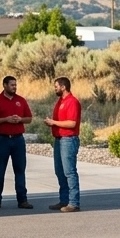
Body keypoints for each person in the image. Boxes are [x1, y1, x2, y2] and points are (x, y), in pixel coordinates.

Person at [0, 75, 32, 209]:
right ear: (4, 85)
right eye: (12, 85)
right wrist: (5, 119)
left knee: (20, 170)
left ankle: (23, 200)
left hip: (18, 140)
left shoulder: (21, 100)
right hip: (2, 139)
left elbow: (29, 118)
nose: (14, 87)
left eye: (15, 85)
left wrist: (20, 120)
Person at [44, 76, 82, 212]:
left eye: (56, 86)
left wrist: (53, 123)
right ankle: (64, 200)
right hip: (59, 139)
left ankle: (74, 202)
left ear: (63, 87)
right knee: (60, 171)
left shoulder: (72, 102)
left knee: (69, 171)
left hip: (68, 139)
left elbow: (72, 123)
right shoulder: (60, 101)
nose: (55, 88)